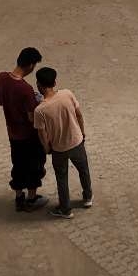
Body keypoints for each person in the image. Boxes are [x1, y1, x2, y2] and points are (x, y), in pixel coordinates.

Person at [33, 67, 92, 219]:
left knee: (62, 178)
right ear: (54, 82)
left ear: (39, 85)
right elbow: (79, 115)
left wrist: (47, 148)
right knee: (84, 170)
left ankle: (65, 209)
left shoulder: (40, 110)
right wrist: (82, 133)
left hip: (59, 148)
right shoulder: (67, 94)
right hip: (76, 141)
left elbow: (42, 134)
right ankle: (87, 198)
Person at [0, 47, 47, 212]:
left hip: (13, 133)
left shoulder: (2, 77)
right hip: (29, 135)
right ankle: (32, 199)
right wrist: (39, 102)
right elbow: (32, 118)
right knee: (34, 166)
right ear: (31, 65)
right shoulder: (25, 89)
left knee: (18, 165)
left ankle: (19, 197)